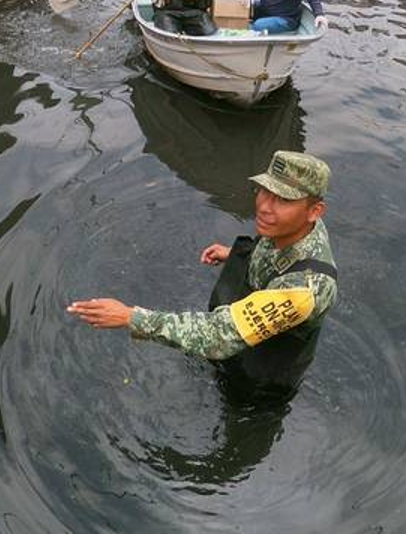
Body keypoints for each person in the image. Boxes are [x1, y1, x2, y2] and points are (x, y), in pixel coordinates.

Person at [68, 151, 338, 396]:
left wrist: (130, 317)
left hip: (262, 381)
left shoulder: (304, 289)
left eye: (283, 199)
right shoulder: (296, 226)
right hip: (248, 341)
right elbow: (277, 248)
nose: (264, 207)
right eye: (264, 191)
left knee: (244, 411)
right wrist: (235, 253)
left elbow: (219, 336)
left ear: (315, 211)